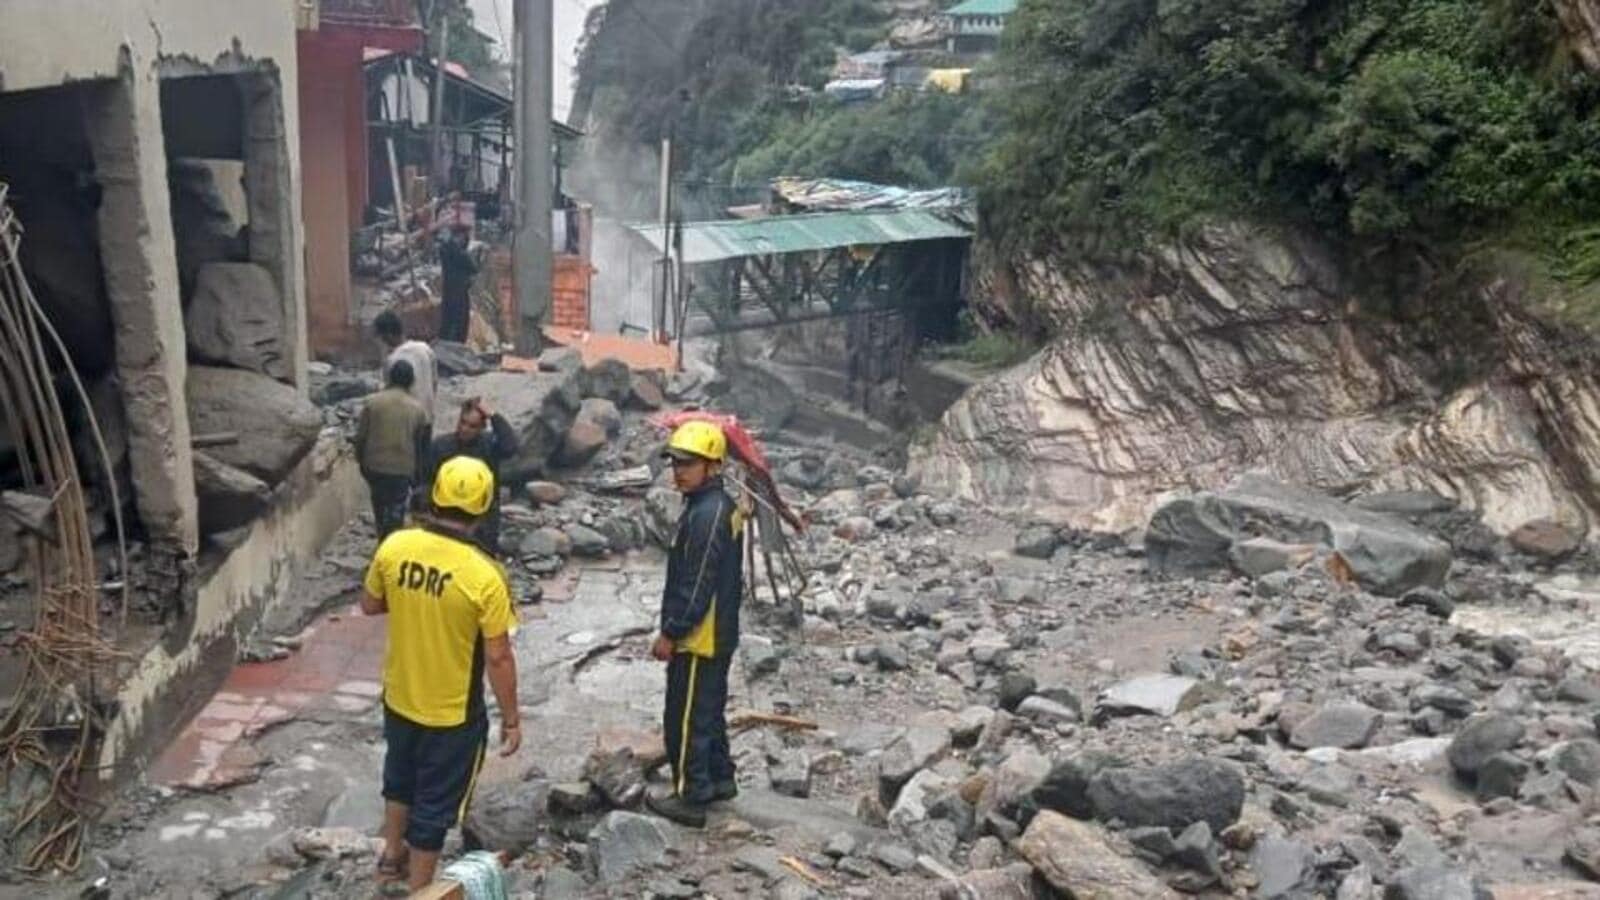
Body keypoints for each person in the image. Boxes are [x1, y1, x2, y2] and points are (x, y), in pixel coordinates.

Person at [361, 456, 521, 891]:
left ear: (436, 496)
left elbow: (371, 604)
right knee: (433, 805)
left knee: (399, 777)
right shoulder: (485, 575)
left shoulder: (395, 545)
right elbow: (499, 657)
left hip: (400, 694)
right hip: (451, 714)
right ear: (484, 506)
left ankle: (391, 856)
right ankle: (420, 889)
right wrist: (511, 719)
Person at [644, 421, 745, 828]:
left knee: (684, 718)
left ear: (712, 465)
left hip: (701, 635)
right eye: (675, 463)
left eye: (688, 464)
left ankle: (691, 796)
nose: (678, 472)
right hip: (718, 630)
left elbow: (697, 579)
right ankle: (720, 779)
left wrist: (672, 630)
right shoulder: (716, 506)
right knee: (708, 712)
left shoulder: (708, 515)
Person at [421, 397, 519, 555]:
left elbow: (510, 447)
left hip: (483, 516)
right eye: (462, 422)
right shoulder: (442, 445)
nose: (465, 429)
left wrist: (494, 416)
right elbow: (426, 479)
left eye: (472, 426)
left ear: (481, 427)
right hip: (447, 516)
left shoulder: (489, 445)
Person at [354, 360, 430, 541]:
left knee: (379, 505)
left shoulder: (372, 403)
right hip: (402, 469)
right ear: (411, 381)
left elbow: (361, 437)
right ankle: (392, 542)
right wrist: (419, 478)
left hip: (375, 466)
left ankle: (383, 539)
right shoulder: (418, 410)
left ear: (390, 378)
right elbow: (421, 447)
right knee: (396, 508)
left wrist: (362, 462)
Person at [374, 310, 438, 424]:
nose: (382, 341)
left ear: (388, 335)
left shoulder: (392, 360)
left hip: (407, 423)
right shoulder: (425, 348)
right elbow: (434, 383)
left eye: (382, 337)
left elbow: (390, 395)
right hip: (427, 417)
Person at [437, 224, 477, 343]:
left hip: (449, 291)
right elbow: (473, 266)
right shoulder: (456, 251)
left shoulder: (445, 248)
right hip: (458, 292)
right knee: (459, 323)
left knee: (448, 321)